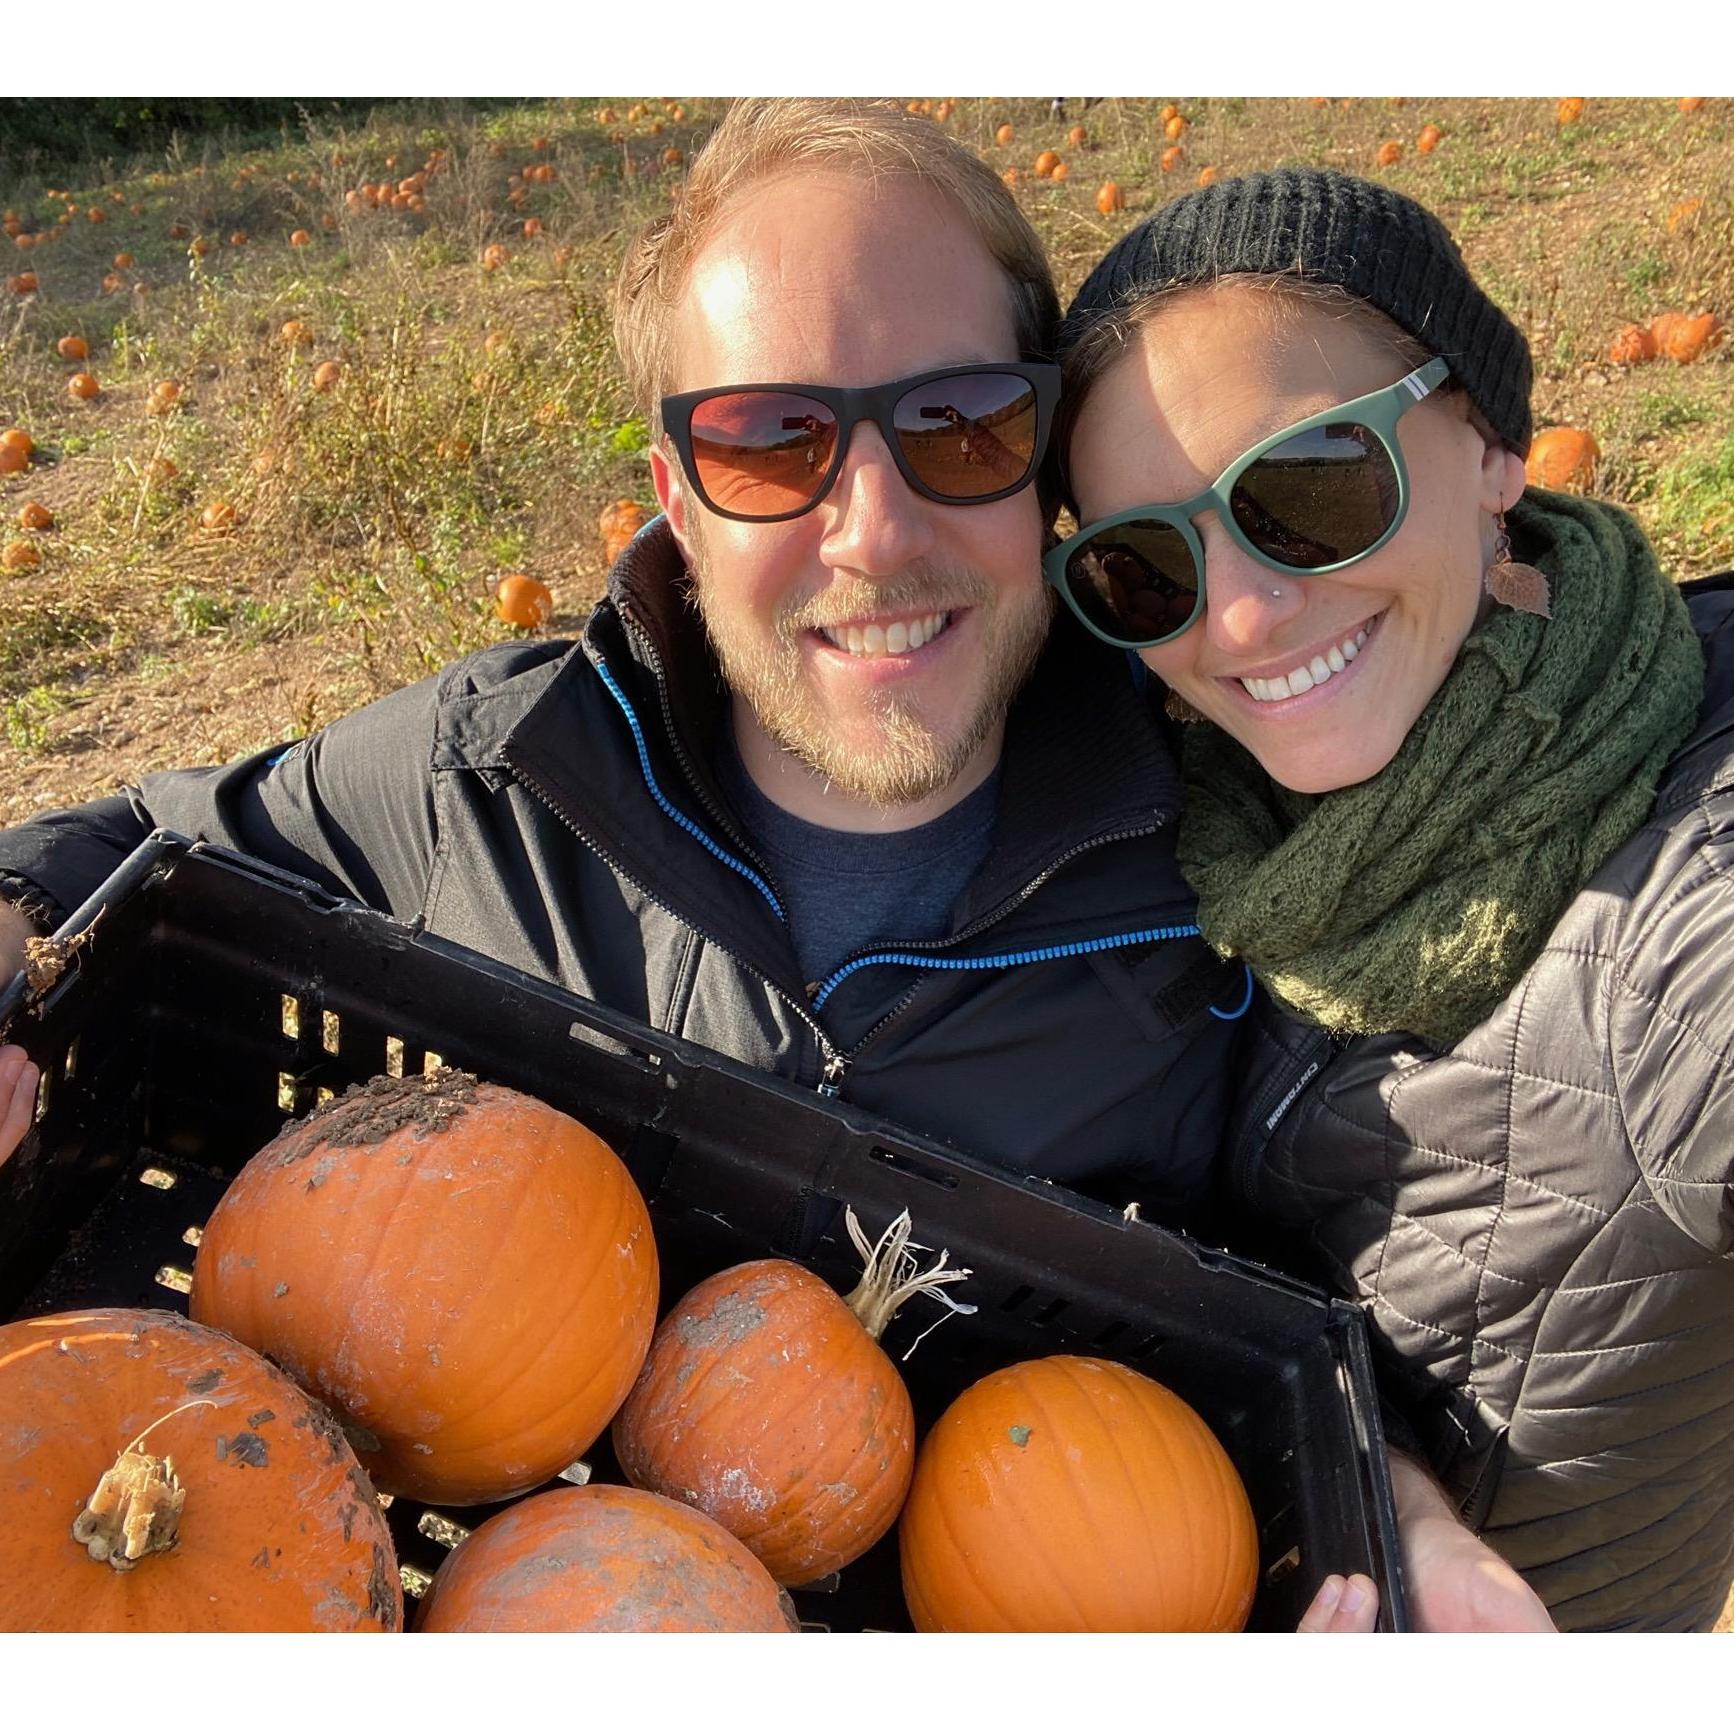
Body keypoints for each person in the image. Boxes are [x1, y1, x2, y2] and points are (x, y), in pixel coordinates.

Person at [0, 102, 1238, 1246]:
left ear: (1047, 458)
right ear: (678, 506)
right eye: (768, 443)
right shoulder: (495, 778)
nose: (877, 533)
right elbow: (131, 843)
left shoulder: (1229, 846)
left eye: (960, 421)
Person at [1050, 166, 1734, 1631]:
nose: (1234, 615)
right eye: (1142, 564)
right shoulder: (1200, 822)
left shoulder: (1683, 930)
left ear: (1492, 443)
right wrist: (1388, 1489)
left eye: (1305, 490)